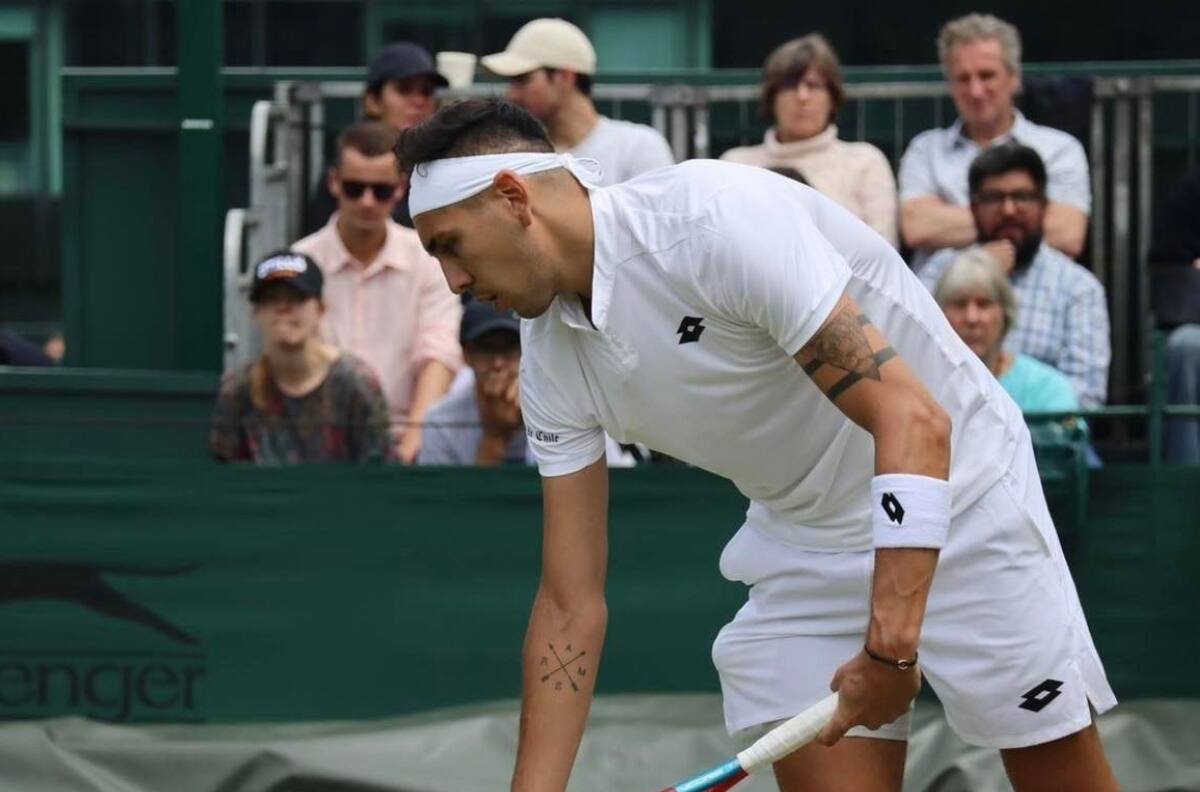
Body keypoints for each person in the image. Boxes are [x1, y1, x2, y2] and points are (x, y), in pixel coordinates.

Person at [398, 99, 1118, 792]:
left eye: (449, 245)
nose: (454, 281)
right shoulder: (550, 357)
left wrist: (890, 649)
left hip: (961, 497)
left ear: (513, 198)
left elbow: (914, 421)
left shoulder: (713, 221)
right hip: (804, 544)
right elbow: (568, 604)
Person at [293, 120, 463, 463]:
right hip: (319, 440)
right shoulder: (301, 261)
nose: (367, 201)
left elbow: (438, 355)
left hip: (404, 439)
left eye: (381, 191)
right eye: (354, 188)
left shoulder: (428, 261)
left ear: (400, 189)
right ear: (333, 183)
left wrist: (415, 437)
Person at [917, 143, 1110, 407]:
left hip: (1042, 426)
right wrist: (977, 270)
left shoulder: (1077, 286)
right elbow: (914, 359)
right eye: (994, 198)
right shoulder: (939, 270)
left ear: (1043, 206)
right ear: (973, 207)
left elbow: (1086, 395)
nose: (1009, 210)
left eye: (1022, 197)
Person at [898, 13, 1091, 272]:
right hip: (941, 292)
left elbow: (1067, 233)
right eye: (963, 78)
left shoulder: (1059, 149)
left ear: (1014, 77)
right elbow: (917, 228)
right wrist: (1022, 220)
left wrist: (952, 220)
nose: (975, 91)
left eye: (986, 75)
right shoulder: (925, 150)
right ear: (950, 84)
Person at [209, 251, 392, 465]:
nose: (283, 308)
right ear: (256, 312)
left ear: (320, 309)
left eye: (297, 298)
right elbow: (224, 472)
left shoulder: (356, 384)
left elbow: (380, 471)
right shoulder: (238, 389)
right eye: (271, 298)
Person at [721, 34, 898, 246]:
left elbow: (883, 250)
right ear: (771, 97)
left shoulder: (865, 161)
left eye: (813, 85)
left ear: (832, 97)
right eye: (789, 86)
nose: (802, 97)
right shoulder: (735, 165)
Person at [481, 17, 674, 185]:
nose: (512, 94)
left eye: (522, 79)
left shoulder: (638, 147)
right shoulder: (517, 155)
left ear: (566, 76)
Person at [305, 41, 447, 232]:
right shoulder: (350, 158)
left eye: (426, 92)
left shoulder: (443, 162)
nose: (419, 101)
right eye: (404, 89)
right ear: (372, 101)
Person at [935, 248, 1080, 413]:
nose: (972, 318)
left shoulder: (1048, 389)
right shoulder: (922, 385)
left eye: (983, 304)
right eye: (959, 305)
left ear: (1005, 313)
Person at [419, 299, 526, 465]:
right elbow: (443, 484)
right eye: (486, 349)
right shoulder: (441, 422)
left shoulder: (553, 405)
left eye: (510, 347)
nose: (498, 363)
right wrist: (494, 437)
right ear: (466, 355)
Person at [1149, 165, 1200, 463]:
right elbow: (1170, 272)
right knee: (1186, 346)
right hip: (1194, 319)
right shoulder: (1192, 190)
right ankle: (1186, 479)